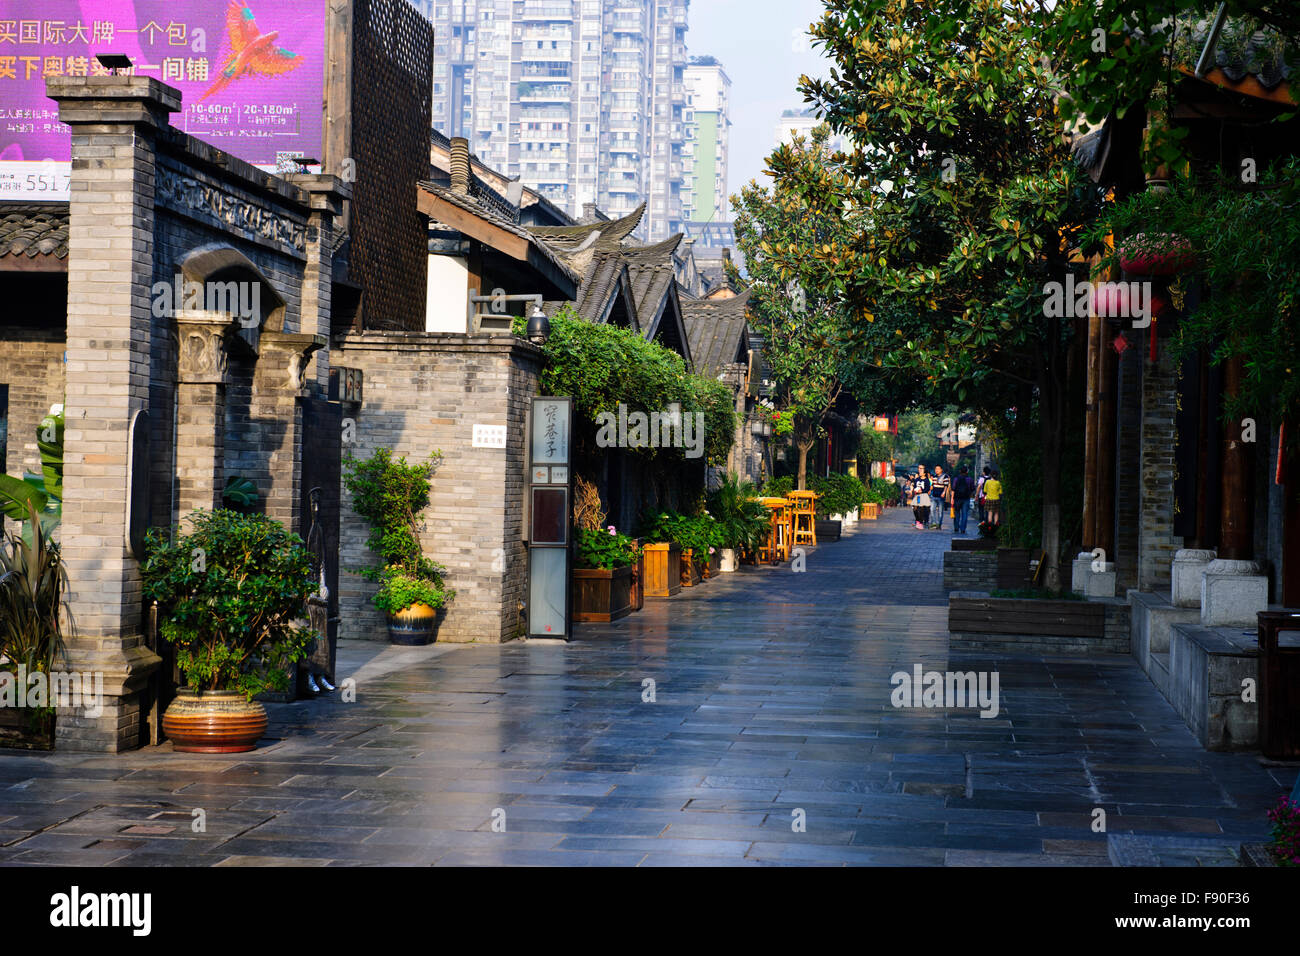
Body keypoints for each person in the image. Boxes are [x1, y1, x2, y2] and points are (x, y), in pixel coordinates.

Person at [951, 464, 975, 535]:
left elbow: (953, 489)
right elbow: (973, 488)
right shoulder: (970, 479)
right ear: (967, 472)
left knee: (957, 513)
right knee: (964, 514)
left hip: (957, 498)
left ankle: (956, 527)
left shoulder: (956, 479)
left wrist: (952, 498)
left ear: (960, 471)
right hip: (966, 499)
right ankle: (963, 529)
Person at [930, 464, 950, 529]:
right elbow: (932, 485)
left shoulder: (945, 476)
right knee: (932, 509)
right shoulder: (934, 476)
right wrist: (930, 491)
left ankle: (939, 524)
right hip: (934, 495)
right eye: (936, 469)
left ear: (941, 470)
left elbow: (946, 486)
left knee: (940, 511)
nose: (936, 470)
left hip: (941, 496)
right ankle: (934, 523)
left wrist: (944, 492)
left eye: (938, 469)